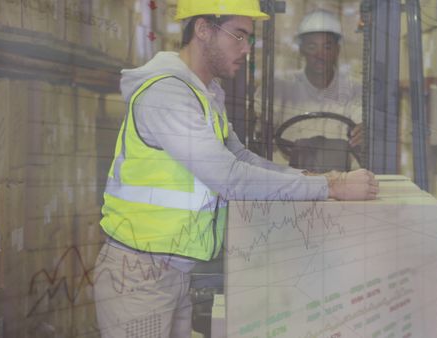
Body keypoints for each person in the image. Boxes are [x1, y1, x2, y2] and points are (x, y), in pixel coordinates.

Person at [93, 1, 379, 337]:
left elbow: (241, 158)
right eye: (239, 36)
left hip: (172, 272)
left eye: (249, 39)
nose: (246, 49)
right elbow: (229, 177)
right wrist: (331, 188)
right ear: (203, 29)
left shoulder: (206, 93)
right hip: (140, 275)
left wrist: (314, 178)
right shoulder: (167, 94)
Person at [264, 9, 364, 168]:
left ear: (337, 50)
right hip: (289, 180)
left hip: (343, 179)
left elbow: (363, 126)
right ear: (302, 50)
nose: (320, 54)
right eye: (312, 46)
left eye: (327, 47)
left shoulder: (354, 89)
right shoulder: (280, 86)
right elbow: (257, 124)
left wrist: (363, 131)